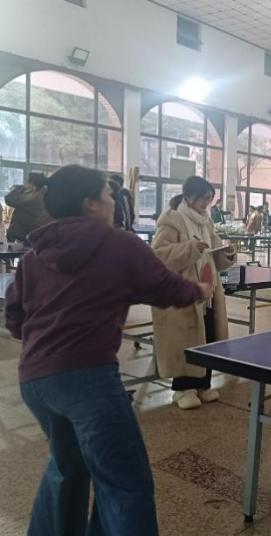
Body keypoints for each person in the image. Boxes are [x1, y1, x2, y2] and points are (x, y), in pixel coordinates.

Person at [5, 165, 212, 535]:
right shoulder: (119, 243)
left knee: (67, 466)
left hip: (35, 380)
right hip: (87, 379)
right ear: (89, 203)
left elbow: (15, 315)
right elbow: (164, 286)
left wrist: (45, 341)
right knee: (124, 480)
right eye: (108, 194)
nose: (114, 200)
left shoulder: (35, 254)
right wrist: (200, 291)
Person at [151, 176, 236, 410]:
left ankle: (203, 384)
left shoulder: (206, 222)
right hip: (182, 292)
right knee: (184, 340)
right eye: (203, 198)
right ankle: (182, 389)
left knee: (206, 336)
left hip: (208, 290)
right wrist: (191, 248)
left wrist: (227, 253)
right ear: (189, 196)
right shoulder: (171, 220)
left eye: (210, 199)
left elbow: (215, 253)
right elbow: (159, 255)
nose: (207, 203)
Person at [5, 172, 53, 243]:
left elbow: (9, 199)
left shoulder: (32, 196)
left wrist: (21, 188)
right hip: (41, 233)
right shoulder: (47, 193)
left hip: (26, 235)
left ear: (31, 183)